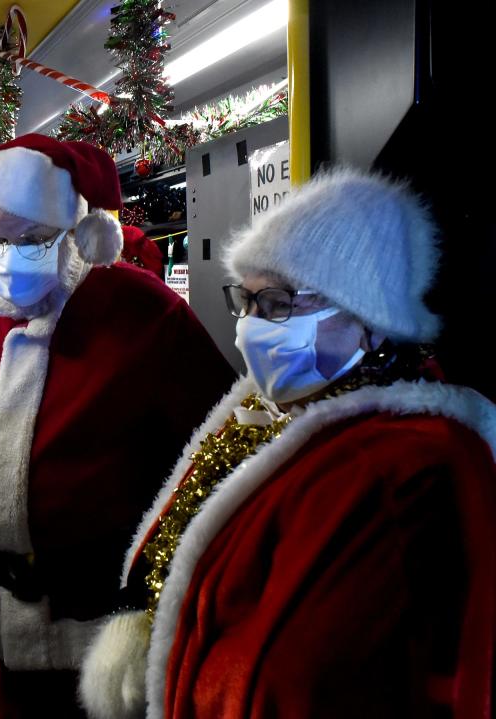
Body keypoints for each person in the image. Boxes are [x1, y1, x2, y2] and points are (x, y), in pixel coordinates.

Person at [79, 168, 496, 719]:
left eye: (277, 303)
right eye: (247, 302)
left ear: (366, 318)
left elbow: (295, 674)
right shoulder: (267, 415)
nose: (251, 326)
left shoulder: (403, 467)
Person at [0, 134, 235, 717]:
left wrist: (162, 595)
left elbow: (218, 457)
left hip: (106, 623)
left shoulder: (146, 317)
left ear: (80, 235)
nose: (10, 257)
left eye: (33, 240)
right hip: (1, 608)